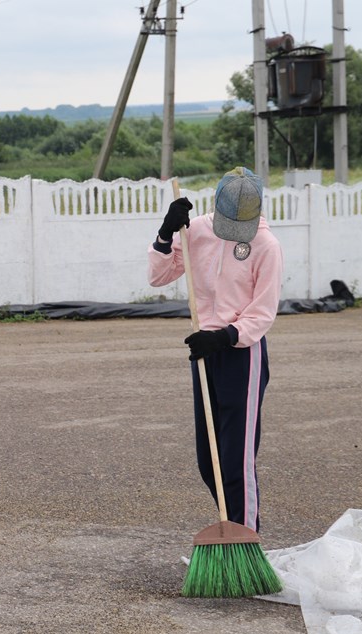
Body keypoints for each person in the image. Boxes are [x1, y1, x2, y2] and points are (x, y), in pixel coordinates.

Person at [148, 167, 283, 532]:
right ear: (217, 207)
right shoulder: (198, 230)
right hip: (203, 352)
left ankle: (245, 541)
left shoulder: (266, 246)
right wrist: (165, 233)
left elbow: (263, 311)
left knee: (236, 460)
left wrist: (226, 336)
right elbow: (159, 276)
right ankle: (230, 529)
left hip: (243, 352)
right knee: (210, 461)